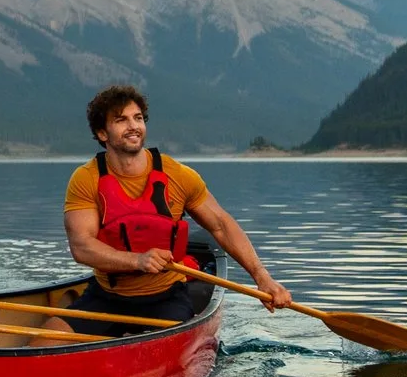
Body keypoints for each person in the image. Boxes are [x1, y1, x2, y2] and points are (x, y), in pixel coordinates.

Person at [62, 85, 292, 332]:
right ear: (102, 133)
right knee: (44, 343)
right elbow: (82, 246)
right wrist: (137, 260)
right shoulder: (86, 179)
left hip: (165, 297)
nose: (133, 126)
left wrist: (262, 277)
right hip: (106, 296)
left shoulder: (178, 175)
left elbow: (221, 226)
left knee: (157, 342)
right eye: (121, 120)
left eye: (138, 118)